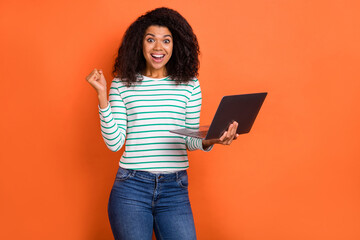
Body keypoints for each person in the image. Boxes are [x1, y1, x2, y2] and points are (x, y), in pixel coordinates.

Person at [86, 7, 238, 240]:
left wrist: (212, 140)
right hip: (131, 188)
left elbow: (188, 139)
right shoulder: (122, 84)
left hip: (174, 189)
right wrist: (103, 96)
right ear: (140, 44)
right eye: (151, 40)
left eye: (166, 40)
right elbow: (115, 143)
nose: (158, 48)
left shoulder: (189, 85)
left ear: (176, 45)